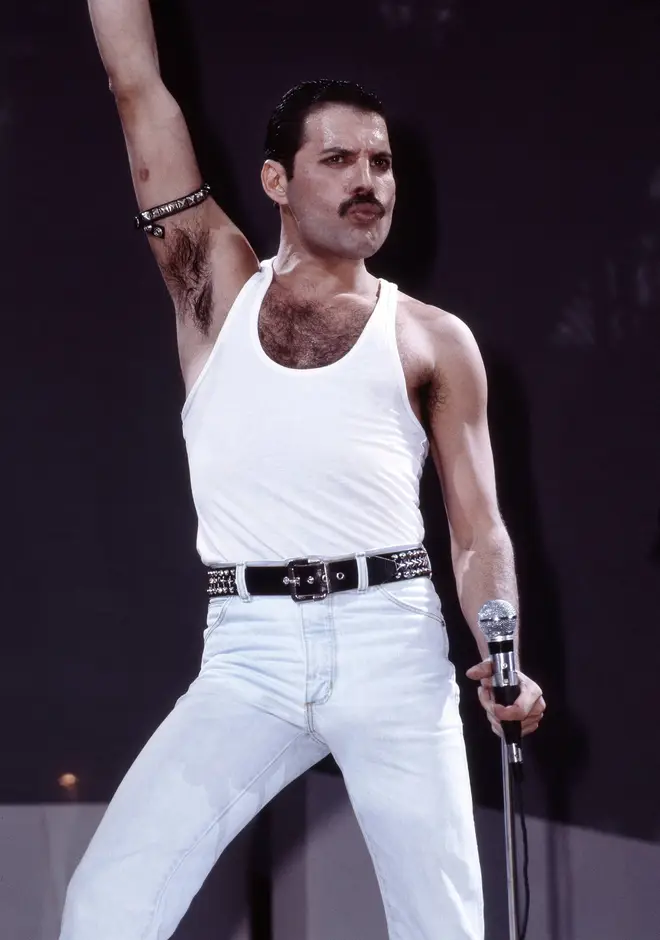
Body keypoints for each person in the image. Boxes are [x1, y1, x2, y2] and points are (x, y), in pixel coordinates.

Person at [61, 2, 546, 938]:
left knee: (442, 927)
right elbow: (137, 90)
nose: (368, 182)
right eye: (339, 161)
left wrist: (504, 651)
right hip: (249, 655)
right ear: (276, 179)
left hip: (392, 646)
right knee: (106, 905)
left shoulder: (433, 339)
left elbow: (479, 526)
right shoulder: (215, 290)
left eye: (381, 162)